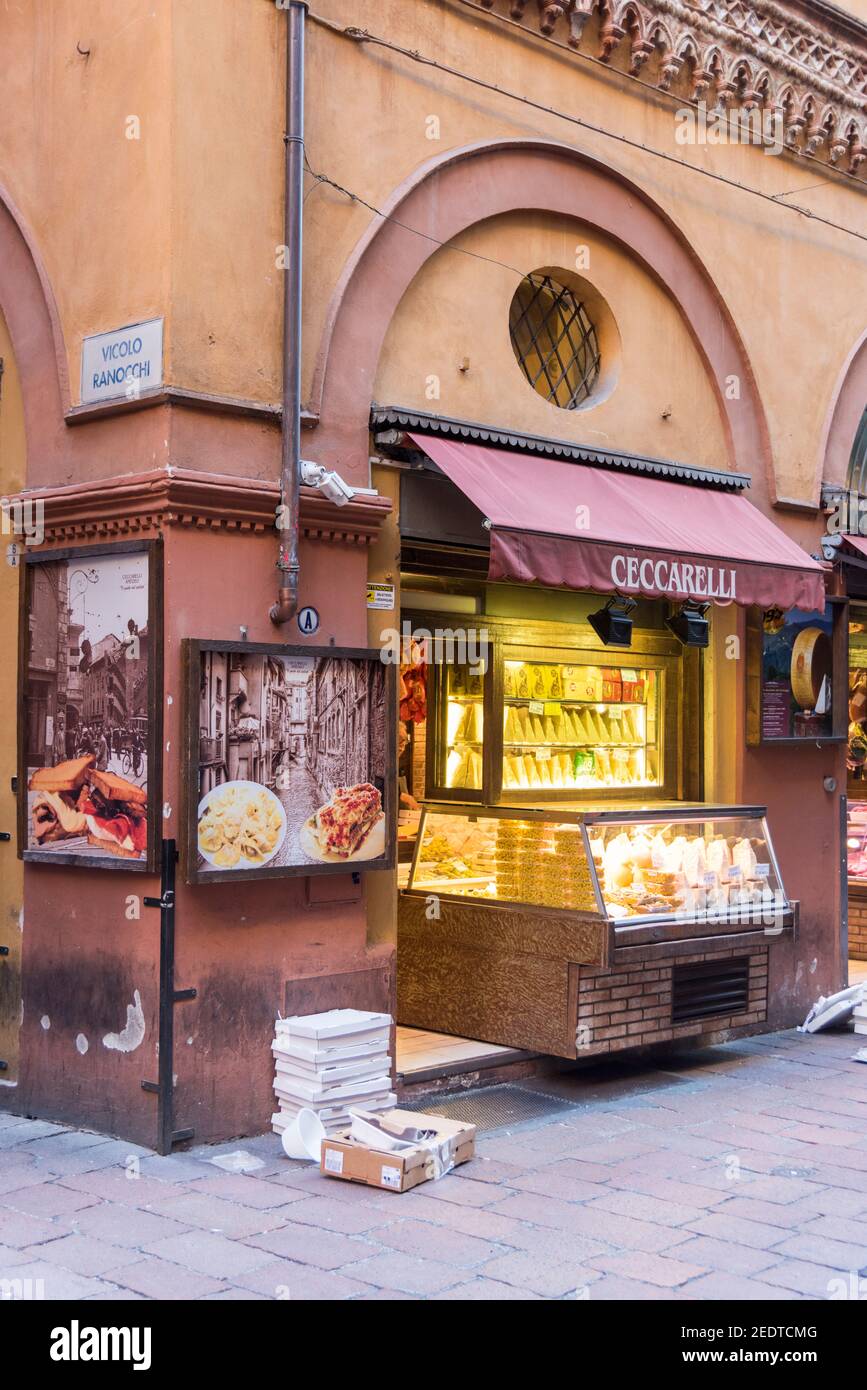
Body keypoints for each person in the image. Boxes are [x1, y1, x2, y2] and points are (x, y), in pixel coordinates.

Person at [397, 721, 419, 812]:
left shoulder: (400, 761)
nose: (401, 748)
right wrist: (405, 797)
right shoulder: (383, 763)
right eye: (399, 743)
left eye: (403, 744)